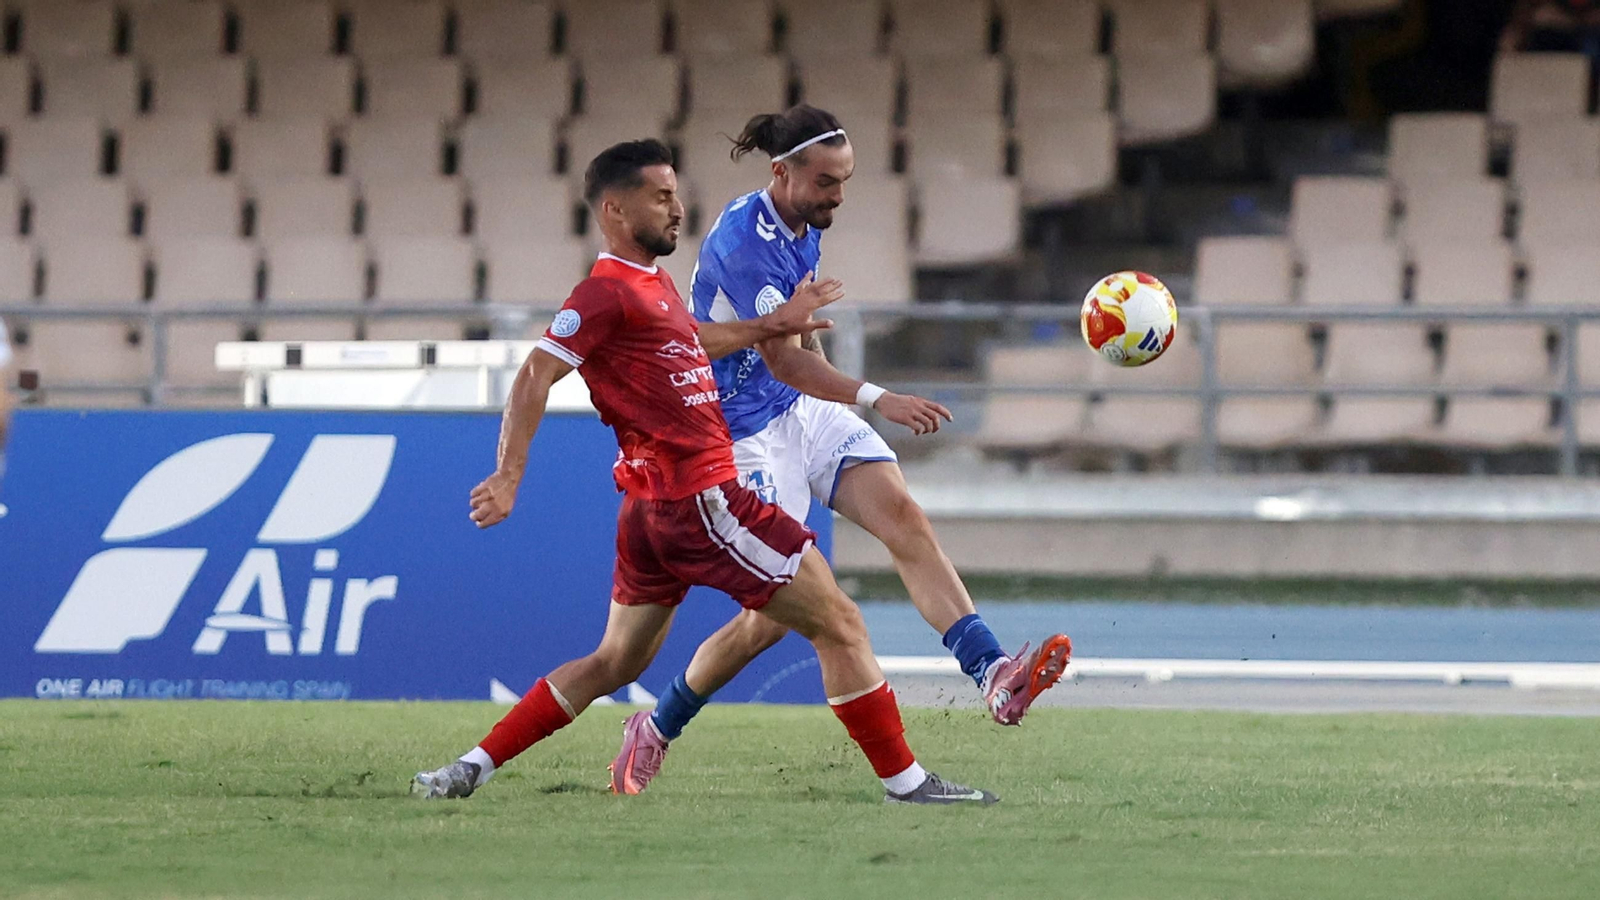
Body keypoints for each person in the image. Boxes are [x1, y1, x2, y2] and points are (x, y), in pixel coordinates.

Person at [412, 139, 997, 806]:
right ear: (614, 209)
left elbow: (691, 340)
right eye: (660, 196)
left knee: (615, 661)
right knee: (838, 621)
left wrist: (769, 325)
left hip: (649, 510)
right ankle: (907, 784)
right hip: (702, 499)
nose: (677, 207)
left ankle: (469, 769)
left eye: (675, 194)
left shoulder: (651, 285)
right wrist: (509, 474)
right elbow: (535, 372)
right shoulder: (603, 294)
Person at [607, 106, 1072, 796]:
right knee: (768, 624)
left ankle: (992, 671)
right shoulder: (745, 241)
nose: (838, 196)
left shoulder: (803, 224)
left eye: (845, 181)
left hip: (799, 408)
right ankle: (656, 724)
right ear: (782, 172)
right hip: (742, 431)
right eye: (826, 182)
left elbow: (802, 343)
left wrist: (836, 406)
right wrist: (876, 397)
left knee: (903, 517)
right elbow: (782, 357)